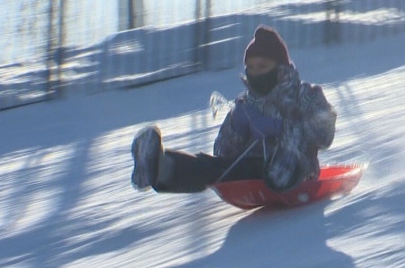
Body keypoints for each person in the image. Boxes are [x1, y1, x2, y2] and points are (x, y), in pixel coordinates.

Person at [130, 25, 337, 194]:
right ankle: (160, 168)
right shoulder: (246, 104)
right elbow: (223, 152)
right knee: (214, 168)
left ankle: (280, 176)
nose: (256, 74)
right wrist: (237, 127)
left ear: (280, 68)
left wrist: (283, 127)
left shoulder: (307, 95)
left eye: (263, 67)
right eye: (252, 68)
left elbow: (324, 135)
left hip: (300, 171)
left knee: (284, 162)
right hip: (252, 172)